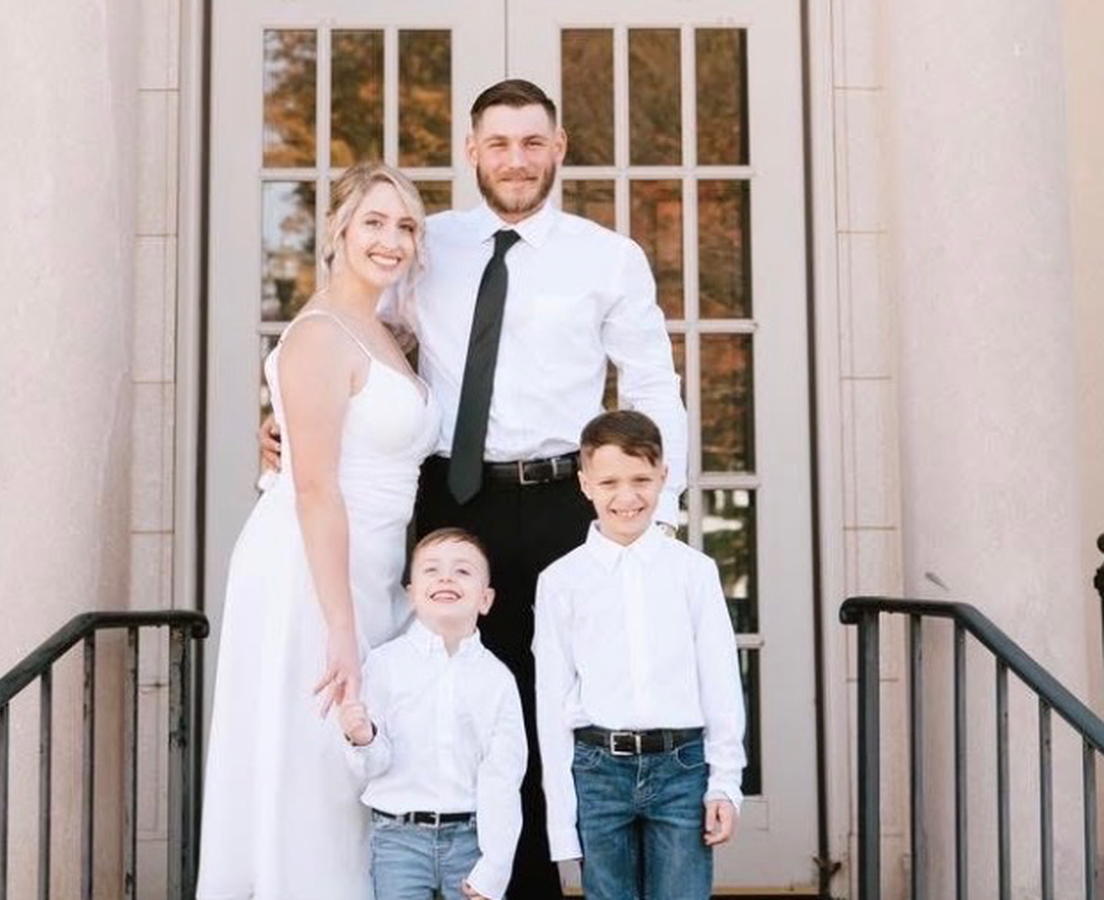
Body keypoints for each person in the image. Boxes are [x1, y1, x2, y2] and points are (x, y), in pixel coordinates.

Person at [262, 80, 687, 896]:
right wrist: (284, 414)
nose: (515, 160)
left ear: (558, 149)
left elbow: (651, 388)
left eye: (532, 143)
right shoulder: (429, 247)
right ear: (471, 151)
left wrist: (654, 518)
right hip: (453, 503)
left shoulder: (608, 257)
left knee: (550, 705)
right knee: (443, 705)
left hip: (564, 504)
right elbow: (350, 330)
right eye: (498, 143)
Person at [196, 162, 439, 900]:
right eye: (374, 222)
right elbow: (314, 487)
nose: (391, 240)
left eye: (405, 226)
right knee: (313, 763)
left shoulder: (387, 331)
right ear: (337, 230)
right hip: (310, 569)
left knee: (354, 765)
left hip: (373, 562)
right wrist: (340, 625)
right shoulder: (319, 335)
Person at [532, 410, 746, 900]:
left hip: (682, 769)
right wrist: (561, 821)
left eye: (641, 480)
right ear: (585, 483)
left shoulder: (694, 572)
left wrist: (725, 783)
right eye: (609, 482)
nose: (626, 496)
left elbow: (719, 681)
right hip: (597, 771)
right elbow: (552, 701)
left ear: (664, 477)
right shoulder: (561, 581)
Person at [338, 527, 526, 900]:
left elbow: (504, 776)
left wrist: (495, 865)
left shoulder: (497, 680)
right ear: (411, 596)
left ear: (485, 599)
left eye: (463, 571)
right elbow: (372, 766)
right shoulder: (385, 665)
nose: (446, 578)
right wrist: (363, 738)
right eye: (432, 569)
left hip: (471, 839)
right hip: (398, 840)